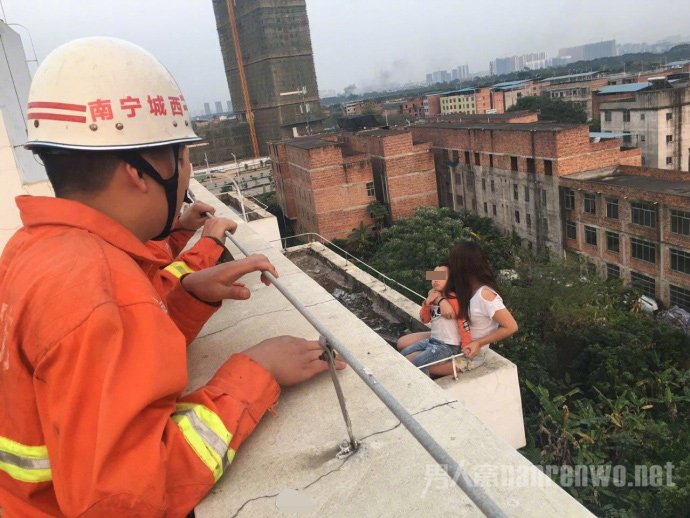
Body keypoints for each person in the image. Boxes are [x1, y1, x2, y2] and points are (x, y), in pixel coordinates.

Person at [0, 37, 344, 517]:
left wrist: (186, 298)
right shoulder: (98, 289)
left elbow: (101, 365)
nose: (185, 175)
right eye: (180, 158)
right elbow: (125, 502)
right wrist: (256, 373)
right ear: (140, 173)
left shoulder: (35, 250)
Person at [428, 241, 518, 377]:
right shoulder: (463, 285)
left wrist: (478, 343)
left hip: (469, 353)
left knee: (414, 363)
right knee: (402, 343)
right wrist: (440, 300)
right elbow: (432, 287)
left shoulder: (485, 295)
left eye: (453, 263)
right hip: (452, 337)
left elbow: (512, 326)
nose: (450, 266)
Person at [397, 265, 472, 376]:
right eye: (434, 276)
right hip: (432, 341)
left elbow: (463, 323)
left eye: (441, 277)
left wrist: (467, 345)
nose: (436, 279)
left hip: (447, 346)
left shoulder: (454, 300)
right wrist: (427, 303)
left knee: (418, 362)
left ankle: (424, 386)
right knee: (404, 353)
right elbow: (425, 319)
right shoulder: (433, 296)